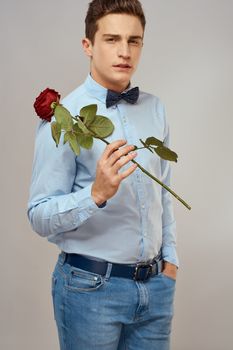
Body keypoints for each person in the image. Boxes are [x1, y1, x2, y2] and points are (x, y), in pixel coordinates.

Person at [28, 0, 179, 349]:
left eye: (134, 40)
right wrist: (95, 194)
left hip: (156, 289)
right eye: (112, 39)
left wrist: (171, 262)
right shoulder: (64, 119)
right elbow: (38, 215)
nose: (124, 51)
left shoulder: (155, 108)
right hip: (90, 290)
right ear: (88, 46)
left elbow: (164, 193)